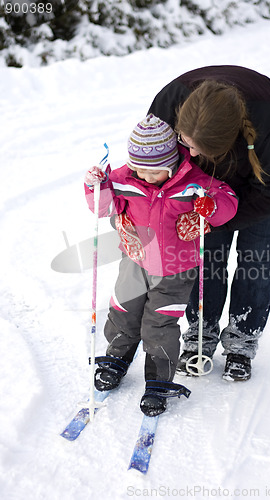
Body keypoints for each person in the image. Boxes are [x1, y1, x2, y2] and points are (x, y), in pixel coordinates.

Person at [147, 65, 270, 381]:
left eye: (195, 148)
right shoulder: (167, 106)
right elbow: (147, 167)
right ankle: (200, 333)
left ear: (225, 145)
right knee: (206, 255)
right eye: (184, 142)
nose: (187, 151)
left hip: (264, 179)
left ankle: (242, 340)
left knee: (256, 255)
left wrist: (213, 223)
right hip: (203, 181)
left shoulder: (267, 127)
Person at [84, 114, 238, 416]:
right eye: (139, 168)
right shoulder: (124, 179)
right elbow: (101, 209)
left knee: (160, 324)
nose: (145, 176)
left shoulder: (194, 183)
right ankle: (116, 358)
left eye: (154, 171)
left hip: (176, 270)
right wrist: (96, 187)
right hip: (135, 260)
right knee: (123, 312)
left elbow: (228, 202)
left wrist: (211, 206)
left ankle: (157, 380)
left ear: (170, 164)